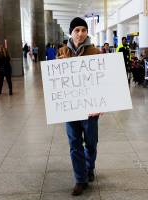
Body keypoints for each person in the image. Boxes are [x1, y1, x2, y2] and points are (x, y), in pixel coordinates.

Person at [57, 17, 101, 196]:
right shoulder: (62, 51)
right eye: (77, 30)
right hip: (70, 107)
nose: (80, 33)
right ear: (71, 32)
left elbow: (102, 81)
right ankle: (80, 179)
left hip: (91, 108)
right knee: (74, 143)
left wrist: (101, 104)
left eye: (83, 30)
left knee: (90, 144)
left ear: (87, 32)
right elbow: (56, 81)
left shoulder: (95, 52)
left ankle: (89, 167)